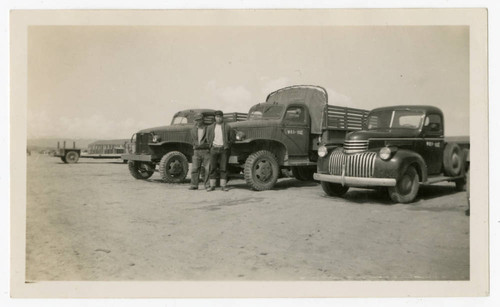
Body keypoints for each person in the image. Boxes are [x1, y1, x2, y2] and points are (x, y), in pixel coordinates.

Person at [206, 110, 234, 191]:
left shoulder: (227, 127)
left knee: (223, 168)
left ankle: (223, 186)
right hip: (213, 149)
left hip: (223, 149)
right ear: (215, 118)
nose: (218, 118)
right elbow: (208, 138)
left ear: (222, 117)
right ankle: (212, 186)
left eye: (220, 117)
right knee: (212, 167)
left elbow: (232, 138)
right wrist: (211, 145)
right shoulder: (210, 127)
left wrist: (227, 145)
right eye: (217, 117)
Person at [189, 113, 210, 190]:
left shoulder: (207, 128)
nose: (198, 121)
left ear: (202, 120)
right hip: (196, 151)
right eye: (196, 120)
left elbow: (210, 139)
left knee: (207, 168)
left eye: (200, 120)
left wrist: (207, 145)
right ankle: (194, 185)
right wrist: (195, 145)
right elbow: (191, 140)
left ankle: (207, 185)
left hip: (206, 151)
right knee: (195, 168)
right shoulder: (193, 130)